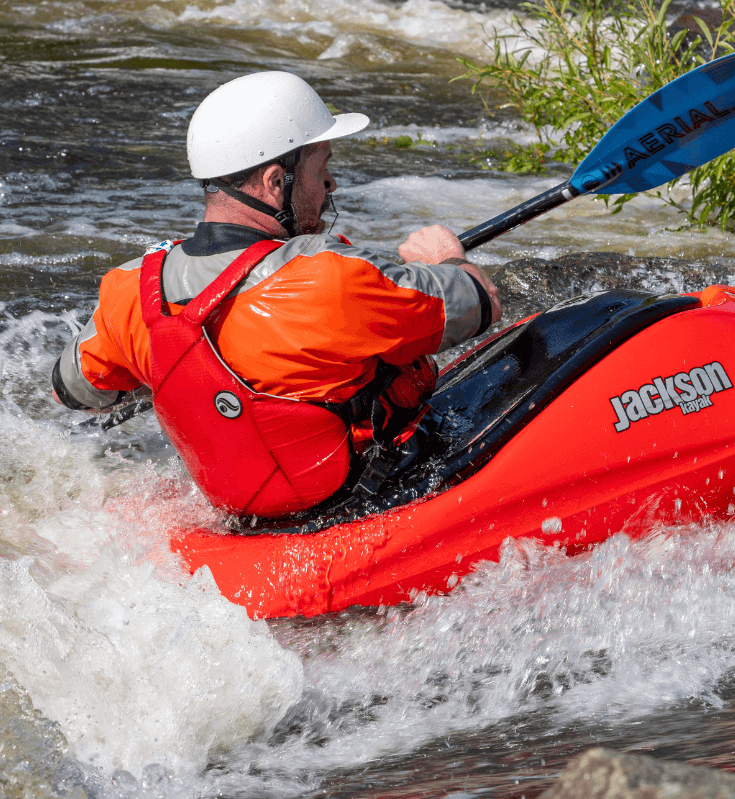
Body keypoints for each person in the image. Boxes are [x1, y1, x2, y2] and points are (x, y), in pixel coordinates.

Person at [52, 71, 501, 518]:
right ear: (274, 182)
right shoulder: (333, 278)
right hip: (363, 502)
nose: (331, 185)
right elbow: (481, 301)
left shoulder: (129, 290)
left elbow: (71, 393)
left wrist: (166, 374)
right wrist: (445, 258)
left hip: (246, 522)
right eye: (321, 169)